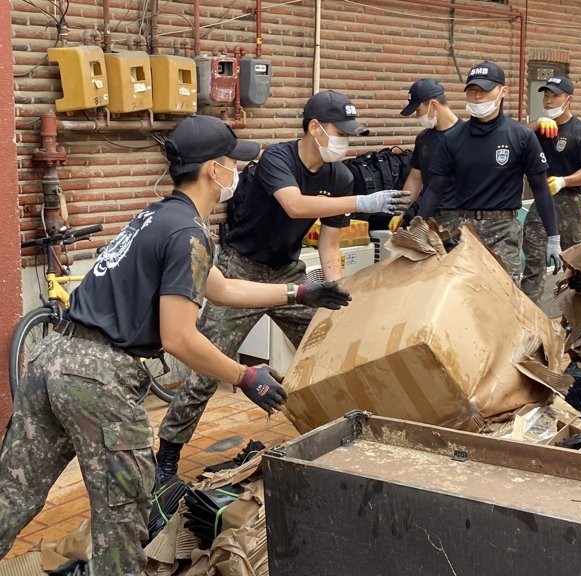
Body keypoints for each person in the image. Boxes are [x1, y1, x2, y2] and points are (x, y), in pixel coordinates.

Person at [0, 115, 350, 574]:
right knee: (123, 515)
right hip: (98, 378)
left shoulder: (158, 215)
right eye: (233, 163)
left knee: (13, 495)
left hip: (52, 358)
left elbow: (219, 287)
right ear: (212, 170)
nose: (238, 174)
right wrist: (244, 376)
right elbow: (179, 337)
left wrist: (299, 292)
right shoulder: (188, 233)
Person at [154, 91, 410, 482]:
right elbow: (294, 205)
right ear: (314, 128)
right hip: (239, 269)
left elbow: (329, 243)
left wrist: (332, 289)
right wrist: (362, 201)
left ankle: (340, 432)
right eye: (341, 133)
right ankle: (168, 456)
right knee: (205, 370)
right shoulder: (278, 158)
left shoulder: (340, 176)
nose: (346, 142)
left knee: (331, 344)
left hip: (288, 272)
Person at [417, 61, 562, 283]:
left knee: (505, 299)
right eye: (472, 91)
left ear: (503, 91)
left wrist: (553, 236)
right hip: (463, 231)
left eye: (484, 90)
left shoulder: (521, 136)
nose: (477, 97)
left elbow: (540, 189)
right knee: (463, 298)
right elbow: (435, 189)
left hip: (503, 231)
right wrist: (418, 225)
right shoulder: (453, 139)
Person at [521, 75, 581, 306]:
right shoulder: (539, 129)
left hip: (570, 204)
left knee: (576, 264)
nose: (548, 101)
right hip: (542, 203)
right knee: (534, 262)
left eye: (554, 96)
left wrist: (565, 180)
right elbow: (510, 135)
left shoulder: (580, 132)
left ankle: (579, 315)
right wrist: (536, 124)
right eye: (546, 95)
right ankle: (528, 314)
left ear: (568, 100)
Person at [399, 78, 464, 230]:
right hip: (429, 216)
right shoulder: (423, 139)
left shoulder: (467, 136)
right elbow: (415, 179)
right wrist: (400, 211)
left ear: (434, 104)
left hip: (460, 217)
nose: (417, 116)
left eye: (418, 110)